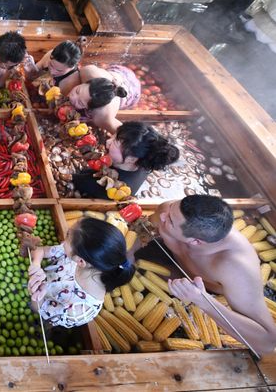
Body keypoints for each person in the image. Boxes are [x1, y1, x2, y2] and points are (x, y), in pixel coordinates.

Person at [145, 195, 276, 354]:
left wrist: (203, 300)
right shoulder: (169, 210)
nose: (163, 216)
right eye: (172, 208)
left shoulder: (234, 267)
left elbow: (267, 342)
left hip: (205, 292)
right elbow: (143, 229)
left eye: (170, 221)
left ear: (195, 241)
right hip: (174, 272)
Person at [28, 217, 133, 328]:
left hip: (36, 302)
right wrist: (36, 265)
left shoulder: (79, 309)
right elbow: (40, 250)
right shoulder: (78, 256)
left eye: (68, 235)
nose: (64, 240)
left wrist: (36, 294)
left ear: (80, 261)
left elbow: (41, 313)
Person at [72, 122, 180, 198]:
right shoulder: (144, 160)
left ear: (131, 159)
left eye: (115, 142)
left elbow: (74, 180)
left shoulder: (106, 186)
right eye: (114, 136)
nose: (108, 141)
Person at [67, 64, 141, 133]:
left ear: (90, 108)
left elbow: (125, 134)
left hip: (132, 92)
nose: (72, 97)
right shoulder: (88, 72)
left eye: (80, 103)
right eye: (77, 91)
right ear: (86, 82)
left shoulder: (102, 116)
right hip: (119, 74)